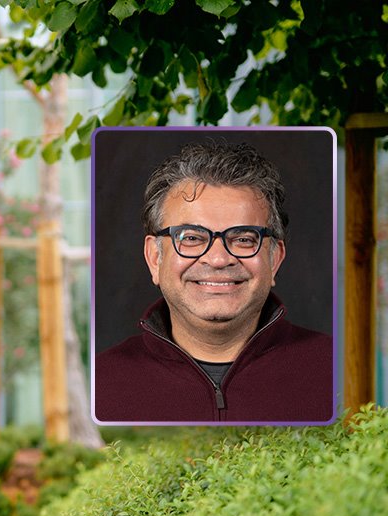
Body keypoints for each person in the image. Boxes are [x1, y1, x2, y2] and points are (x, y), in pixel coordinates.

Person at [94, 142, 333, 423]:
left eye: (243, 239)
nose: (218, 259)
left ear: (274, 259)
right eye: (192, 238)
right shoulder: (99, 385)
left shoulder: (338, 372)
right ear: (155, 258)